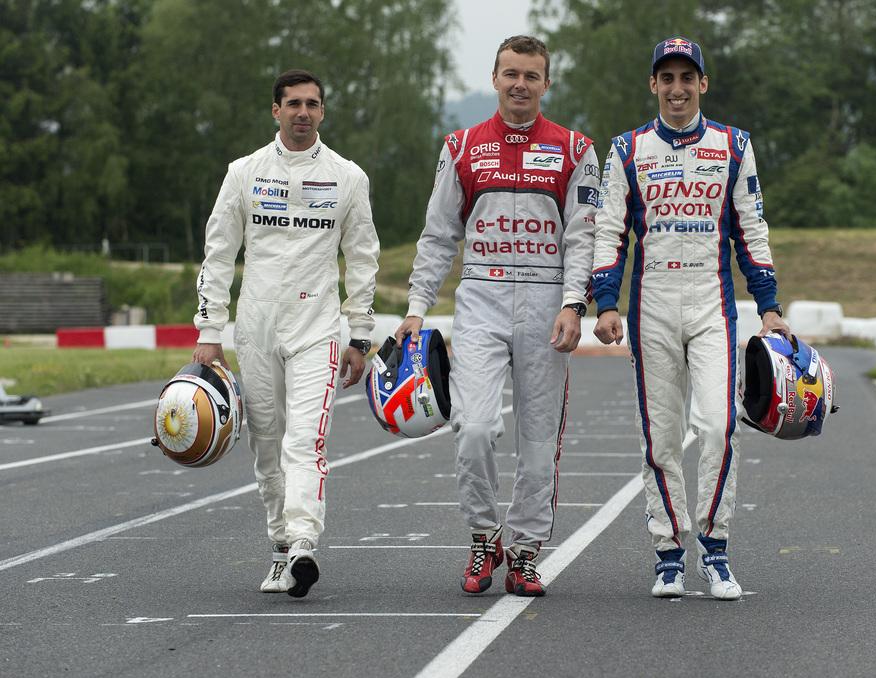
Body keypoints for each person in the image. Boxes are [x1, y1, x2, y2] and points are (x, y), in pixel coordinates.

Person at [395, 35, 599, 597]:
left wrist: (572, 303)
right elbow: (439, 236)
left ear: (546, 83)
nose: (520, 85)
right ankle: (485, 536)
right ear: (494, 77)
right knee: (475, 428)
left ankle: (527, 552)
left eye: (531, 76)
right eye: (511, 73)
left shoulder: (576, 147)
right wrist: (416, 308)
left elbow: (584, 238)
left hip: (546, 303)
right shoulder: (461, 145)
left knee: (537, 443)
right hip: (480, 299)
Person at [591, 37, 791, 600]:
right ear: (652, 85)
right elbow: (609, 230)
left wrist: (770, 305)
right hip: (652, 302)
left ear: (703, 83)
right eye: (667, 78)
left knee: (720, 426)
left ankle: (716, 546)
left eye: (687, 78)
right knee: (659, 437)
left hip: (712, 301)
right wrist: (606, 301)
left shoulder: (734, 144)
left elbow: (752, 228)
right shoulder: (627, 149)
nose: (677, 89)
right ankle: (669, 552)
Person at [193, 69, 380, 598]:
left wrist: (360, 335)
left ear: (323, 111)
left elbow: (363, 258)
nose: (303, 112)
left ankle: (303, 543)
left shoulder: (349, 177)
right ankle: (280, 546)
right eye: (293, 103)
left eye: (313, 104)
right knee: (267, 442)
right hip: (255, 328)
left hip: (316, 327)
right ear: (275, 110)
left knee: (306, 440)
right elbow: (218, 253)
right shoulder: (243, 172)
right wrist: (210, 329)